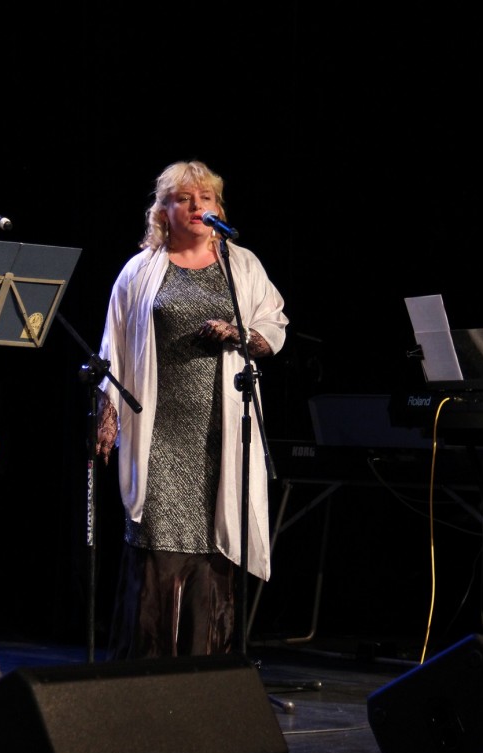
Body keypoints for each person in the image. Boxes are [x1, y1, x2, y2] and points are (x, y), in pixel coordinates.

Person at [95, 160, 288, 658]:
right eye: (184, 198)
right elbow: (113, 348)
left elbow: (273, 325)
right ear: (163, 211)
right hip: (158, 429)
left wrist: (241, 334)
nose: (197, 206)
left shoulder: (242, 265)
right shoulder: (140, 271)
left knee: (214, 545)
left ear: (219, 208)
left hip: (221, 427)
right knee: (158, 544)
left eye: (206, 198)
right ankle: (147, 669)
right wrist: (108, 415)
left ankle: (206, 668)